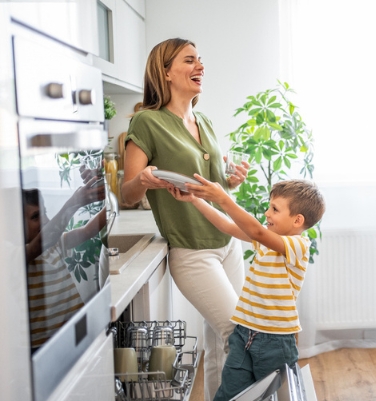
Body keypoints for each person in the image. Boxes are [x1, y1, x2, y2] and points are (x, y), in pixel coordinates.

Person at [120, 38, 247, 400]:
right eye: (189, 60)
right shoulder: (146, 122)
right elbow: (126, 195)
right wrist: (142, 181)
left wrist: (231, 178)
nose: (200, 67)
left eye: (200, 60)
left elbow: (213, 183)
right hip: (192, 251)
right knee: (237, 335)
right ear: (165, 72)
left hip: (227, 243)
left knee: (220, 336)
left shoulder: (202, 119)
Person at [167, 177, 325, 401]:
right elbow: (228, 226)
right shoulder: (266, 239)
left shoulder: (298, 245)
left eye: (275, 209)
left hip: (275, 341)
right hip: (244, 334)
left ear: (297, 220)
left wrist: (223, 198)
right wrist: (194, 200)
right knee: (230, 394)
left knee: (281, 396)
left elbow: (257, 233)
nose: (267, 213)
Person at [22, 179, 106, 350]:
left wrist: (114, 202)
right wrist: (73, 203)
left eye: (44, 212)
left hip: (74, 331)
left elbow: (88, 231)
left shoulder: (55, 244)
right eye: (35, 216)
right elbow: (38, 245)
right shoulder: (20, 254)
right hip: (43, 345)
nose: (44, 220)